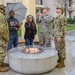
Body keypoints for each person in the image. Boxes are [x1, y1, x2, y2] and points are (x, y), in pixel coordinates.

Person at [0, 5, 9, 72]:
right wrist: (6, 38)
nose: (5, 8)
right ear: (1, 8)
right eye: (4, 7)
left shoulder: (2, 15)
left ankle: (1, 63)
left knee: (2, 51)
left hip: (1, 36)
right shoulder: (1, 15)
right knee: (2, 51)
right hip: (1, 37)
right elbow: (2, 28)